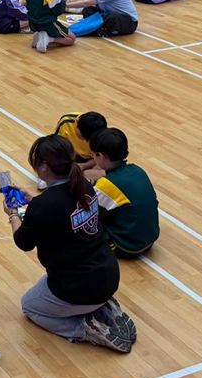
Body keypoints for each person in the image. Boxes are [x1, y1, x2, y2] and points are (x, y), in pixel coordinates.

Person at [9, 135, 134, 351]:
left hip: (78, 286)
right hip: (108, 274)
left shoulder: (44, 205)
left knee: (29, 306)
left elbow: (23, 242)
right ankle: (101, 308)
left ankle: (86, 330)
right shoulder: (84, 185)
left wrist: (12, 214)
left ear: (44, 167)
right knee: (46, 286)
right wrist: (33, 201)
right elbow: (62, 208)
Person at [90, 128, 160, 258]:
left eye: (93, 155)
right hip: (150, 238)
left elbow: (90, 214)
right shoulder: (137, 170)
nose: (92, 158)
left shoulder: (107, 185)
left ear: (101, 156)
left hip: (127, 246)